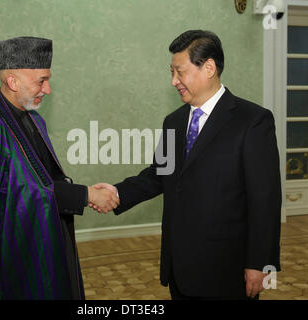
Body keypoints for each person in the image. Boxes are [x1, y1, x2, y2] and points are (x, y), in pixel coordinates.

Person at [92, 30, 281, 300]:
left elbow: (265, 199)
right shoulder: (175, 121)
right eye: (171, 72)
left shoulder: (252, 121)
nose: (173, 81)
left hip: (226, 267)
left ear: (209, 68)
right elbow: (159, 174)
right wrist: (117, 192)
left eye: (179, 72)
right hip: (179, 264)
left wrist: (261, 263)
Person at [0, 36, 119, 300]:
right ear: (13, 81)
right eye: (41, 81)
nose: (48, 90)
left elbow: (45, 180)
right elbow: (15, 198)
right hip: (17, 254)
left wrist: (82, 192)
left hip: (49, 236)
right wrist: (85, 195)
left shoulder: (35, 119)